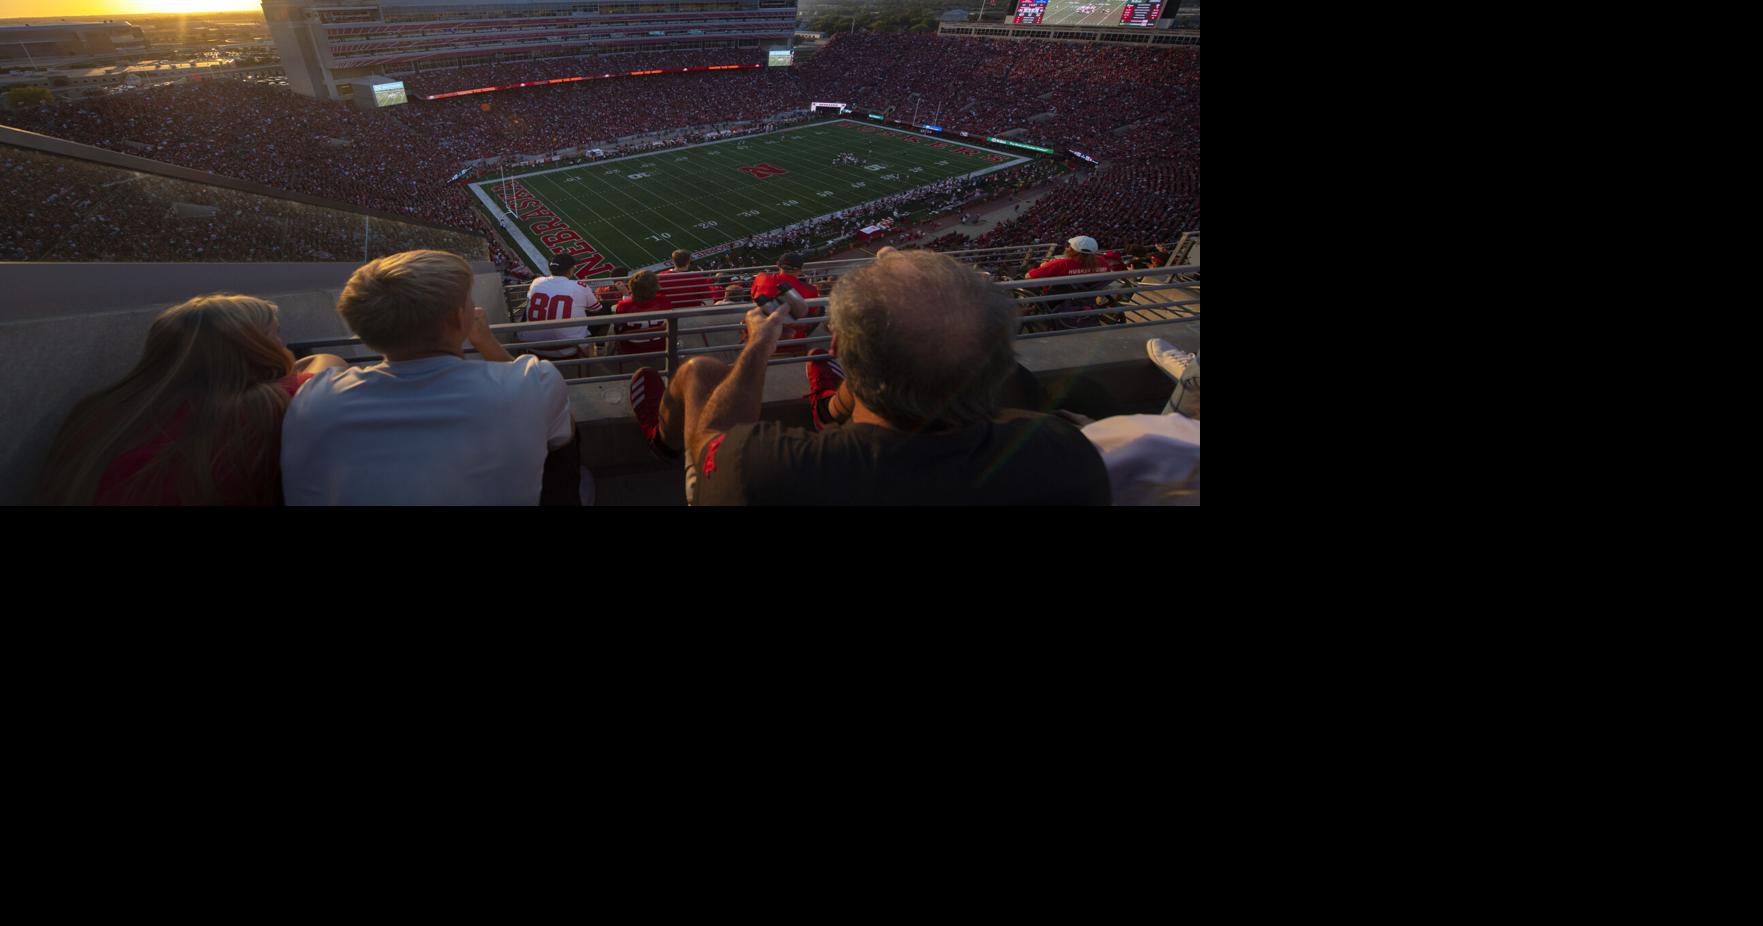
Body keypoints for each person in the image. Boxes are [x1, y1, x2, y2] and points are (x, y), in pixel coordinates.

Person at [626, 248, 1110, 505]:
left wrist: (758, 345)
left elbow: (712, 440)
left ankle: (662, 441)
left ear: (840, 348)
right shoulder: (1069, 456)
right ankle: (829, 407)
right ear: (997, 361)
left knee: (701, 372)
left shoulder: (765, 470)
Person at [280, 250, 577, 506]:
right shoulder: (532, 381)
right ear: (459, 318)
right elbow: (560, 434)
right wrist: (486, 342)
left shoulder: (314, 400)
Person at [38, 294, 348, 505]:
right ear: (252, 347)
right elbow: (329, 364)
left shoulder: (98, 409)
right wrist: (288, 367)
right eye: (275, 334)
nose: (282, 343)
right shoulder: (265, 406)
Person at [517, 252, 602, 362]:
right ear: (570, 270)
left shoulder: (536, 282)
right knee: (603, 312)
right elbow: (597, 308)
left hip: (533, 346)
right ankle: (598, 350)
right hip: (567, 348)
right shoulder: (579, 286)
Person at [744, 251, 821, 356]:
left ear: (777, 264)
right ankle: (801, 338)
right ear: (800, 269)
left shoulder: (761, 277)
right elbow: (812, 311)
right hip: (791, 335)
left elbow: (753, 295)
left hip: (760, 331)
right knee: (819, 310)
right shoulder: (810, 289)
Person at [611, 269, 671, 371]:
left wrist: (626, 295)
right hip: (661, 344)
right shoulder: (664, 301)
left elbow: (619, 329)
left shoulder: (624, 305)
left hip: (632, 346)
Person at [656, 248, 719, 312]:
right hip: (693, 312)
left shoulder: (661, 276)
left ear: (673, 261)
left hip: (669, 313)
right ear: (689, 261)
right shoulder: (697, 277)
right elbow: (709, 300)